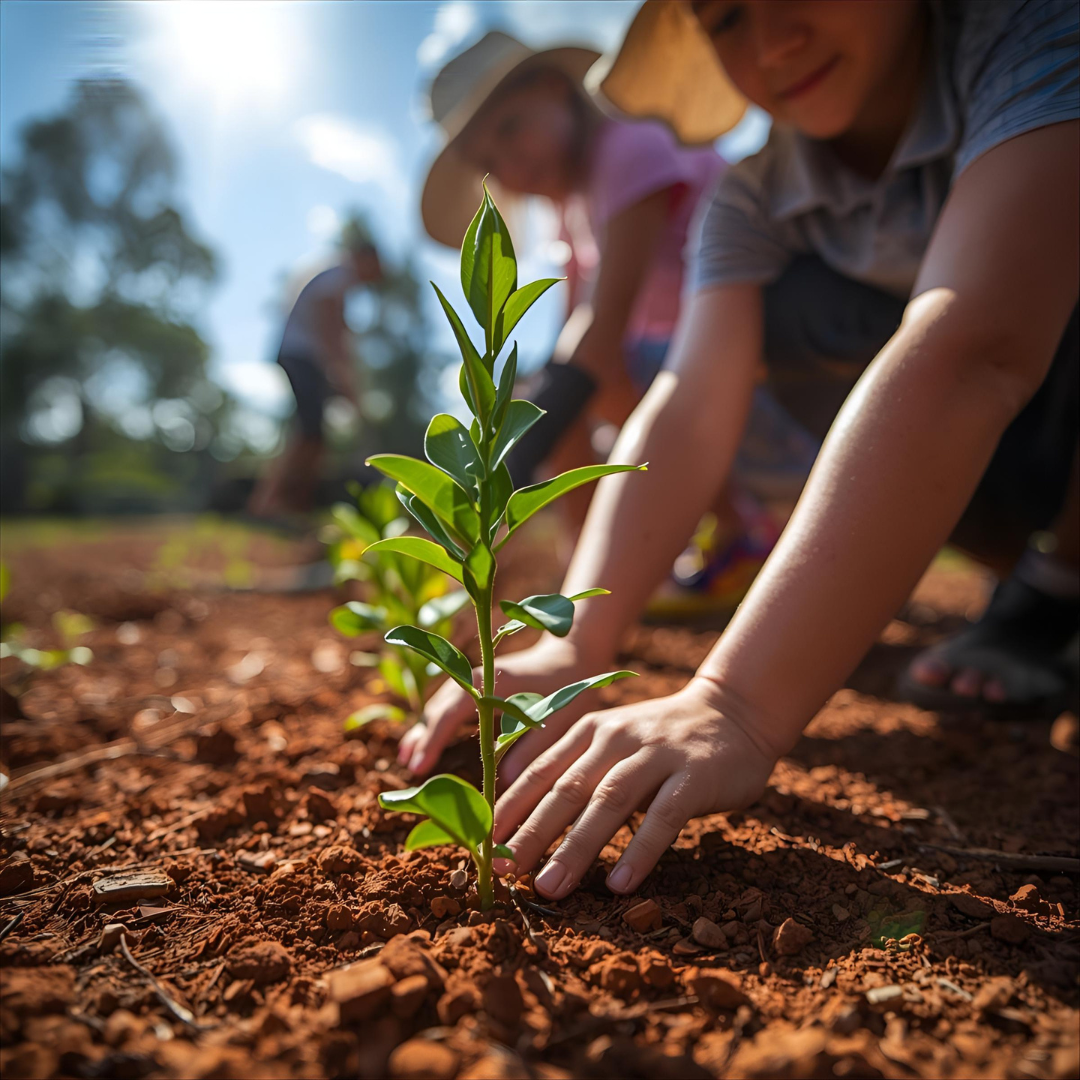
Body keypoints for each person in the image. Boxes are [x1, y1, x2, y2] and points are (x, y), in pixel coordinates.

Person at [402, 0, 1080, 902]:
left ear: (554, 90)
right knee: (787, 315)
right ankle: (1033, 576)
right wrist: (582, 634)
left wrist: (734, 702)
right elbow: (687, 405)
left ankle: (1058, 581)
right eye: (726, 17)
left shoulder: (1034, 33)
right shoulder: (755, 195)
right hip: (1008, 446)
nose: (773, 40)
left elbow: (978, 350)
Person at [421, 30, 788, 597]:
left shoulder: (629, 146)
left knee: (581, 385)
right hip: (705, 378)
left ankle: (734, 532)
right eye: (489, 162)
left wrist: (498, 490)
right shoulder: (573, 213)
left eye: (511, 127)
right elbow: (572, 349)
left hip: (776, 374)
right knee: (555, 391)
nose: (509, 166)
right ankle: (591, 573)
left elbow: (598, 339)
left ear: (552, 89)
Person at [248, 221, 382, 519]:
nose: (371, 279)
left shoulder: (337, 280)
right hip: (300, 356)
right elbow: (330, 330)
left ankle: (295, 504)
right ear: (364, 259)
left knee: (315, 435)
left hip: (305, 358)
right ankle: (267, 503)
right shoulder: (339, 276)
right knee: (309, 431)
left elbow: (340, 331)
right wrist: (343, 379)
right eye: (373, 270)